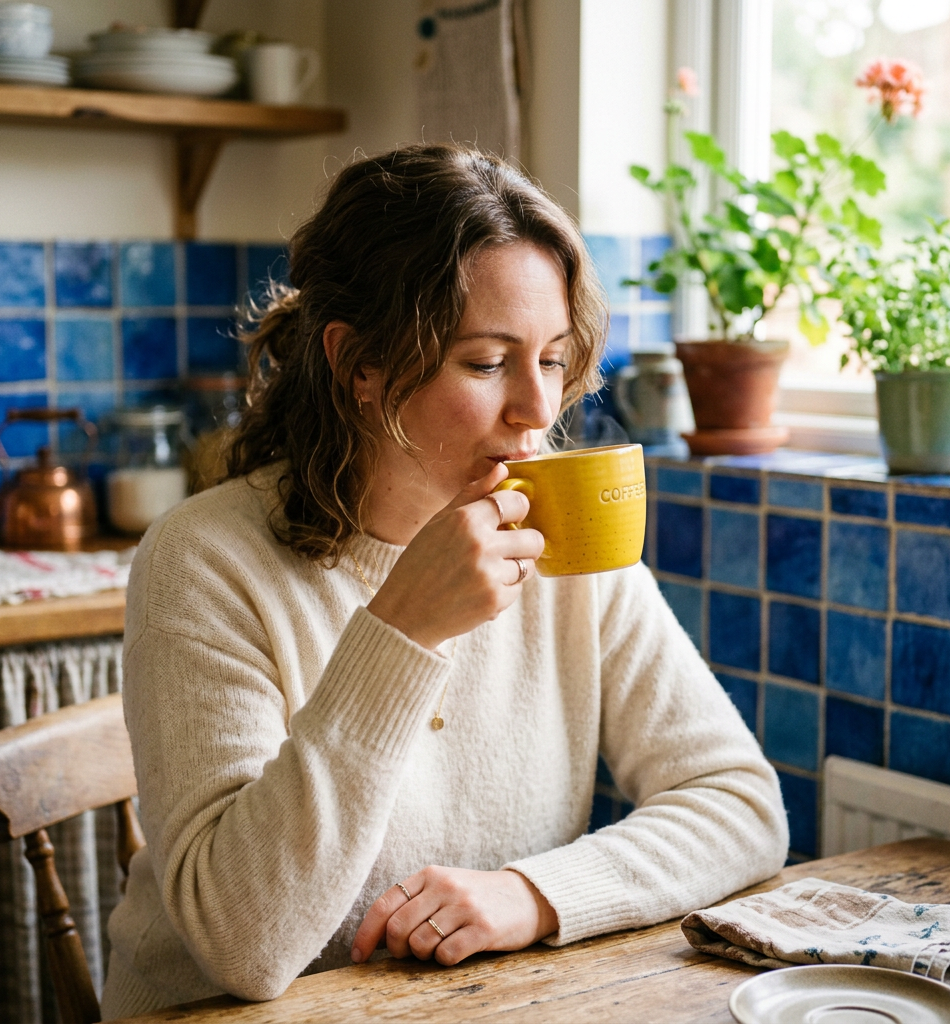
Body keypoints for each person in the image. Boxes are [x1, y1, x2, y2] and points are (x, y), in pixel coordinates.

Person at [100, 144, 788, 1020]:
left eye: (551, 359)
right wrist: (399, 633)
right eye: (487, 361)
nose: (539, 413)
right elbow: (246, 947)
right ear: (361, 366)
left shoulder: (563, 538)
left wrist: (530, 895)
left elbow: (741, 805)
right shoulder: (201, 561)